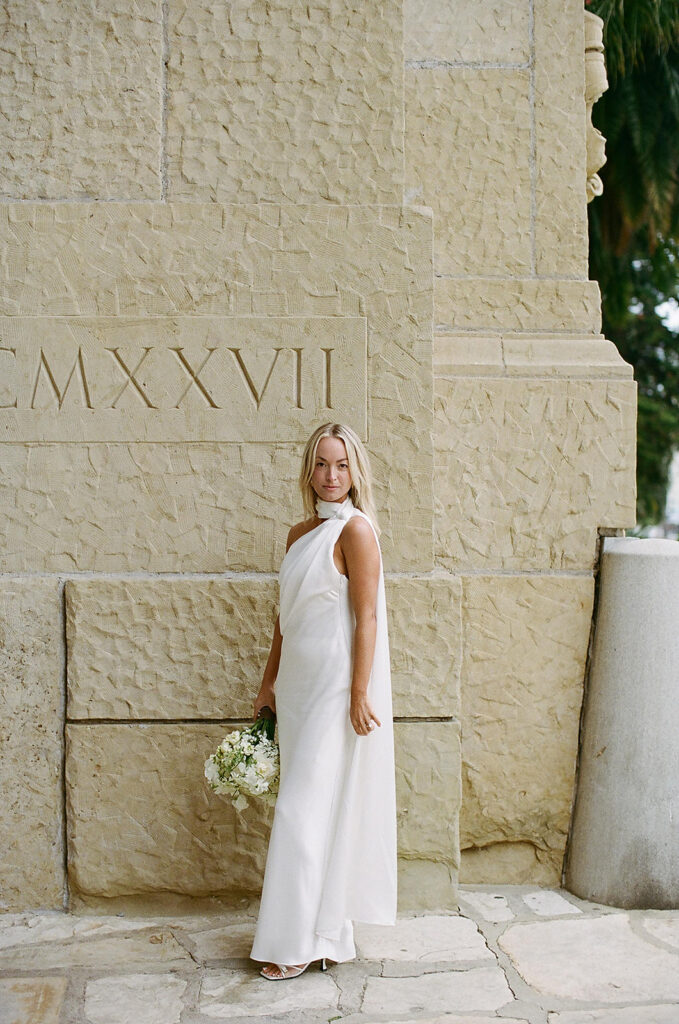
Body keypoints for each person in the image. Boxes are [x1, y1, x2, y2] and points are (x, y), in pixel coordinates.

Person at [250, 421, 397, 980]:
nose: (331, 476)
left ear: (354, 471)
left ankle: (291, 943)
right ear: (308, 470)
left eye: (341, 465)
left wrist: (359, 691)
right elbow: (284, 621)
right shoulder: (297, 534)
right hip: (298, 686)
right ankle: (325, 934)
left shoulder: (356, 532)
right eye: (321, 464)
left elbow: (367, 618)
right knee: (308, 806)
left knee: (302, 809)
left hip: (337, 687)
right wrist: (269, 682)